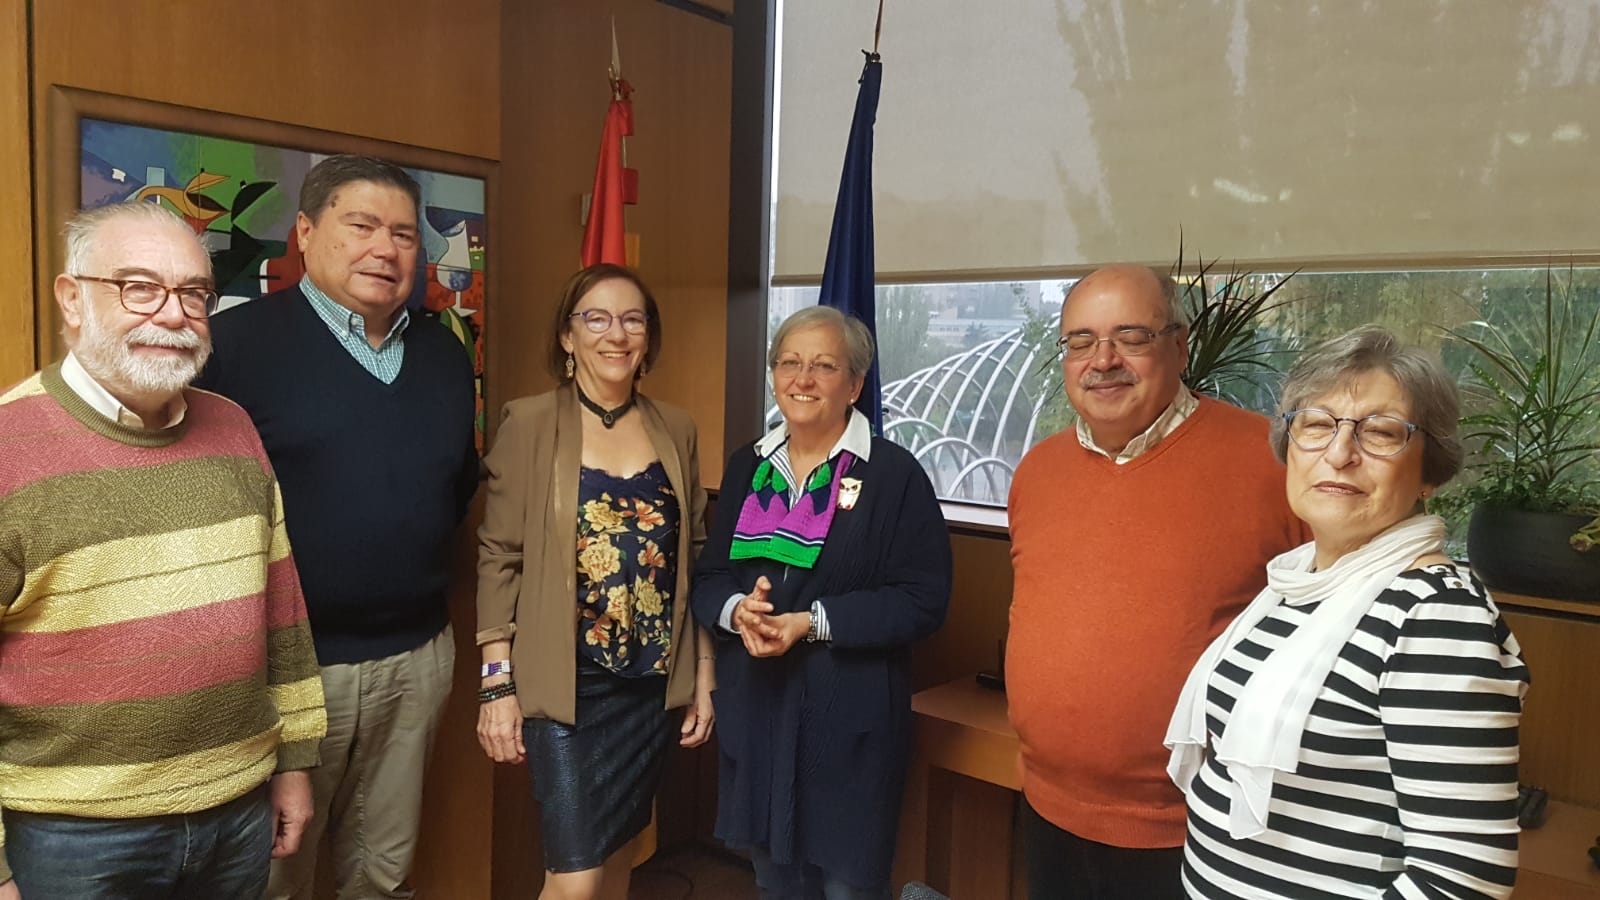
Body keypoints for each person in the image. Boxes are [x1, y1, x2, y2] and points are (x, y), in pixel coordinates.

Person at [0, 201, 327, 899]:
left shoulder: (234, 427)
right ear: (72, 299)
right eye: (139, 288)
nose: (173, 315)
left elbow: (282, 614)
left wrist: (294, 762)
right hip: (72, 835)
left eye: (193, 294)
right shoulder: (6, 449)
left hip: (237, 811)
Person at [195, 155, 480, 899]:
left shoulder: (443, 356)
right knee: (274, 874)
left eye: (404, 234)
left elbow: (453, 490)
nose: (384, 250)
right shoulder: (234, 350)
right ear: (306, 231)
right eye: (361, 226)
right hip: (286, 670)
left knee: (383, 871)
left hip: (417, 659)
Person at [1166, 325, 1528, 898]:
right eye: (1315, 425)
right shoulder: (1295, 581)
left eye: (1381, 432)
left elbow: (1462, 878)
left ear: (1430, 472)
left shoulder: (1436, 616)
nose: (1339, 453)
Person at [1006, 264, 1308, 899]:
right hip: (1048, 806)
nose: (1103, 360)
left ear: (1180, 344)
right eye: (1081, 341)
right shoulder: (1038, 470)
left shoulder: (1271, 462)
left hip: (1196, 826)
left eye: (1131, 337)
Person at [691, 305, 953, 900]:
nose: (802, 379)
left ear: (855, 384)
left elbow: (923, 599)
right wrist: (739, 611)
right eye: (789, 362)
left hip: (849, 724)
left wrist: (812, 623)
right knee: (775, 881)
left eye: (824, 365)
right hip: (758, 713)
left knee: (846, 887)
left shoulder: (892, 476)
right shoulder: (748, 466)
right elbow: (708, 578)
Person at [475, 264, 714, 900]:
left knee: (619, 860)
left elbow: (693, 557)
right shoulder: (528, 422)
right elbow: (500, 554)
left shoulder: (677, 428)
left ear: (648, 337)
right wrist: (496, 686)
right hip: (568, 688)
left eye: (633, 319)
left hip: (650, 685)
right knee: (575, 878)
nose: (617, 334)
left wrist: (703, 676)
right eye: (597, 318)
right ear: (566, 336)